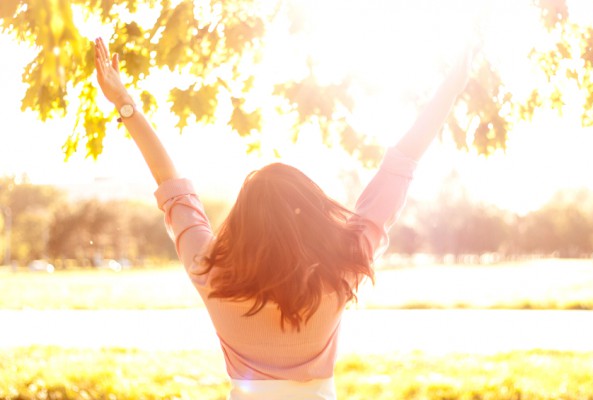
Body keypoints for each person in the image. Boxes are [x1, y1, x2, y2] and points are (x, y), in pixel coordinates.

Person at [94, 36, 472, 400]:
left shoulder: (210, 272)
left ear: (241, 223)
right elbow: (400, 165)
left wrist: (125, 102)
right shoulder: (343, 265)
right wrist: (451, 90)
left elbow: (171, 185)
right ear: (315, 214)